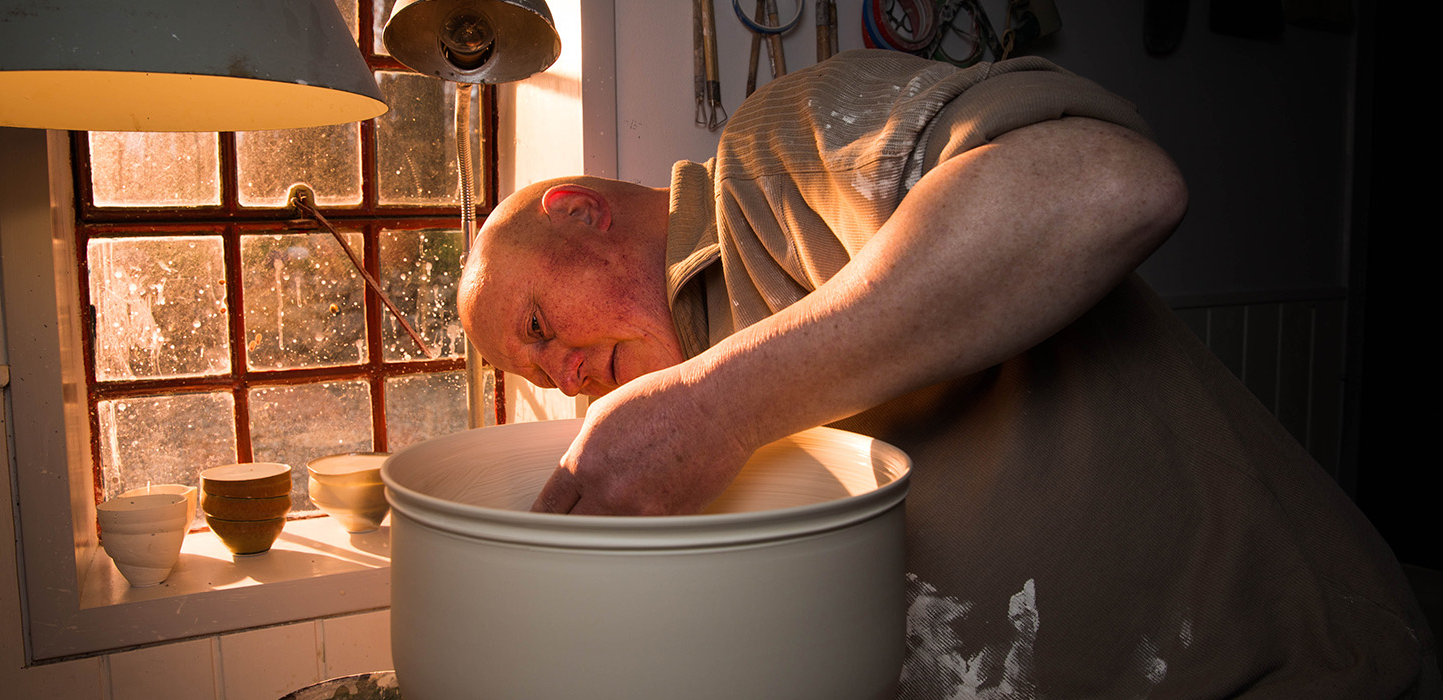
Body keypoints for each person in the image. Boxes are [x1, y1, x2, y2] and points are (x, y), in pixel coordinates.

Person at [459, 50, 1436, 698]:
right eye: (537, 370)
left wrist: (716, 403)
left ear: (581, 212)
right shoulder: (677, 471)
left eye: (538, 324)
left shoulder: (770, 162)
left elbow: (1112, 182)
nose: (563, 372)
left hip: (1295, 670)